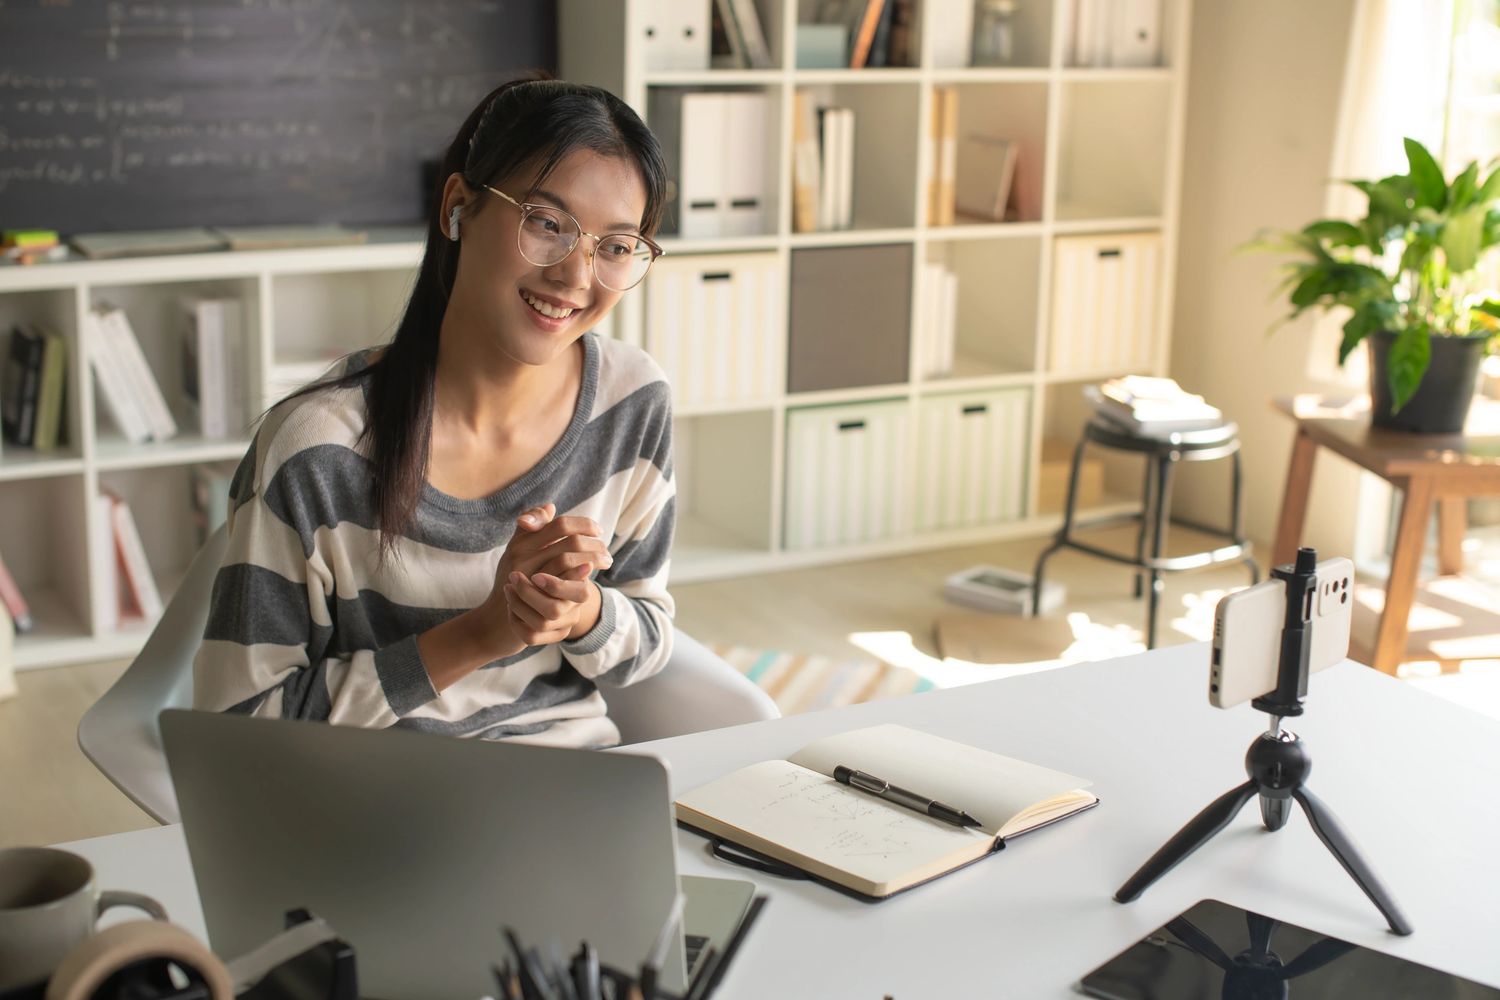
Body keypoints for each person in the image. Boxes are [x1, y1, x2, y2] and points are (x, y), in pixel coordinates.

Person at [192, 77, 674, 748]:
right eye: (546, 223)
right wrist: (483, 633)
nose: (576, 276)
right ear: (458, 208)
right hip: (376, 805)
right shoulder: (317, 450)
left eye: (616, 247)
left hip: (568, 787)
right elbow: (237, 726)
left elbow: (648, 645)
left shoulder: (633, 401)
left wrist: (580, 610)